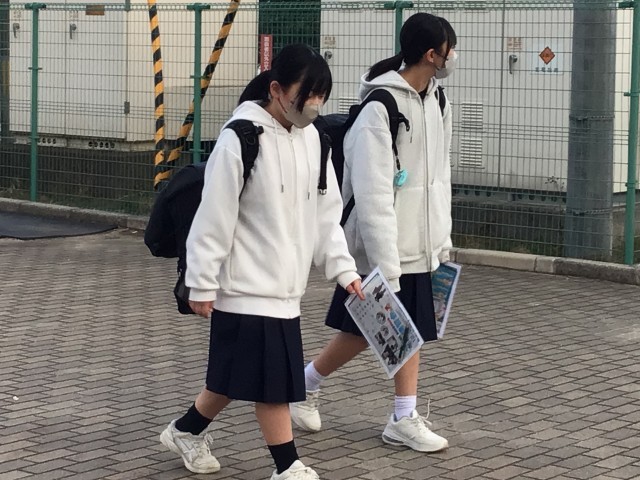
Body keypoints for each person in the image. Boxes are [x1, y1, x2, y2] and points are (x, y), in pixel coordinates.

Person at [159, 44, 364, 480]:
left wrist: (344, 269)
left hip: (286, 288)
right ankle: (287, 466)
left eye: (321, 95)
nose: (314, 104)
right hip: (244, 286)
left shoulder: (316, 140)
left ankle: (185, 431)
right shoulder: (241, 138)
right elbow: (214, 217)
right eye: (306, 94)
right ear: (276, 89)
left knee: (233, 376)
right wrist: (201, 282)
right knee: (274, 384)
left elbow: (326, 216)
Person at [290, 14, 457, 454]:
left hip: (419, 244)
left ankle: (308, 385)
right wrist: (387, 265)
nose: (453, 57)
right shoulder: (379, 108)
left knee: (377, 330)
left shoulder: (438, 100)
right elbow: (372, 193)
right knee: (389, 329)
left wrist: (441, 239)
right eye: (449, 49)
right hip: (384, 247)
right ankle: (400, 416)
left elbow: (440, 176)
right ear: (432, 54)